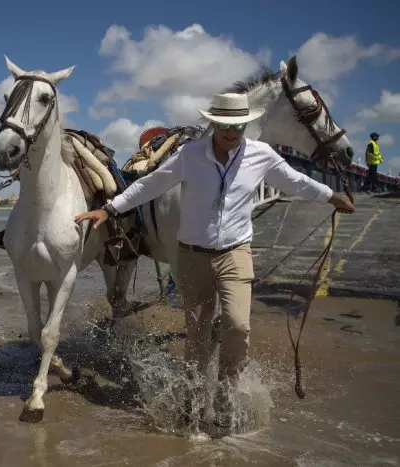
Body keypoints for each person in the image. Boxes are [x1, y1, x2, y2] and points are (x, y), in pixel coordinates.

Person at [74, 92, 355, 430]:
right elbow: (150, 184)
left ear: (245, 124)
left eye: (238, 125)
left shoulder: (261, 155)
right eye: (225, 125)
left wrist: (330, 197)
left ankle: (225, 393)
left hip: (235, 254)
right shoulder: (189, 155)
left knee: (238, 326)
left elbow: (295, 181)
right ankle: (193, 400)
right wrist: (108, 209)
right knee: (198, 335)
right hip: (193, 258)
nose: (231, 132)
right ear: (215, 124)